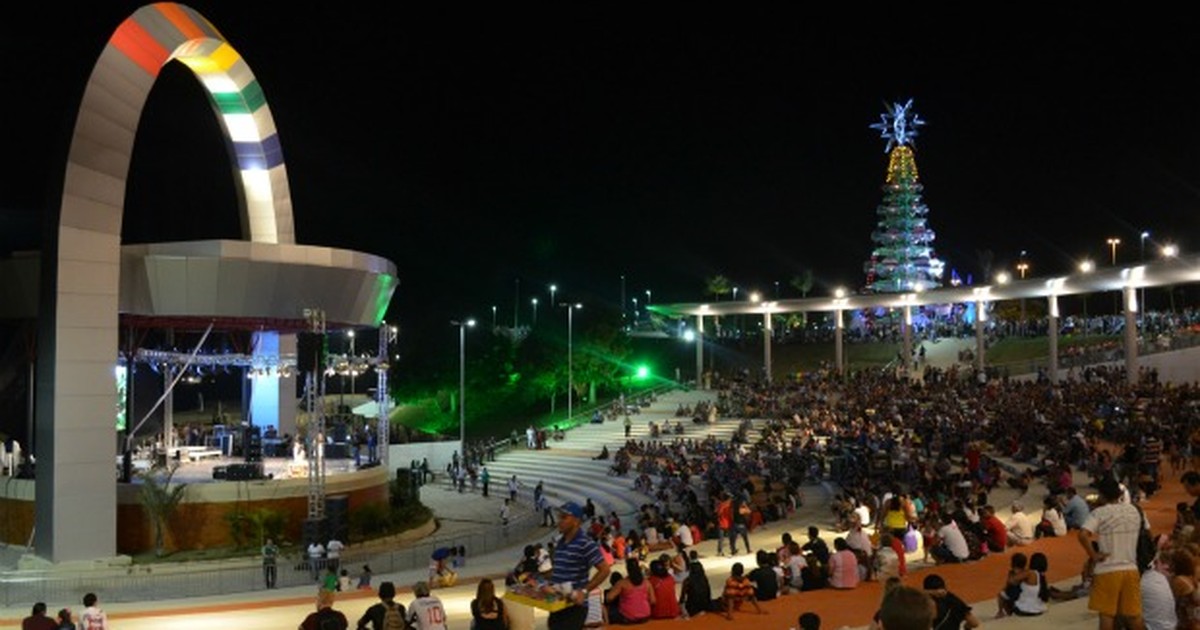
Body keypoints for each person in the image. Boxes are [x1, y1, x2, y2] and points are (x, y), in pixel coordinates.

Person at [1079, 476, 1147, 630]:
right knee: (1134, 615)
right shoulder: (1134, 510)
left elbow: (1082, 535)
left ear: (1102, 494)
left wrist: (1094, 556)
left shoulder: (1099, 513)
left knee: (1107, 614)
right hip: (1131, 568)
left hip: (1107, 569)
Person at [547, 501, 612, 630]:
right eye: (559, 517)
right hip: (557, 604)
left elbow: (605, 570)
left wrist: (584, 591)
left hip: (573, 607)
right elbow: (560, 570)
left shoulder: (585, 543)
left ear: (576, 521)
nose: (559, 521)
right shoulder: (560, 542)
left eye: (564, 517)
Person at [605, 557, 654, 624]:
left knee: (611, 609)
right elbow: (653, 601)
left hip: (628, 618)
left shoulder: (621, 583)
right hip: (646, 615)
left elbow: (609, 598)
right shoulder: (647, 582)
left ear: (627, 569)